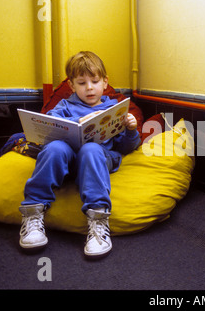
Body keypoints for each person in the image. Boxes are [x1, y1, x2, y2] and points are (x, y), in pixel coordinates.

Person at [18, 51, 141, 258]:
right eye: (82, 83)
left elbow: (127, 147)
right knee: (56, 148)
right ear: (72, 86)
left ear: (105, 82)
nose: (89, 88)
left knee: (91, 149)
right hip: (67, 162)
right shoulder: (64, 106)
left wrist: (131, 130)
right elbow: (48, 130)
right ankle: (33, 214)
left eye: (94, 81)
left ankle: (98, 221)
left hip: (98, 159)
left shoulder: (114, 108)